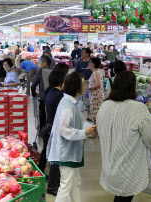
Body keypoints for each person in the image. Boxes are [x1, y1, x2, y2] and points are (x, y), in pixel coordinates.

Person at [97, 71, 151, 202]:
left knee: (121, 197)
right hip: (128, 169)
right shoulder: (138, 108)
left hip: (109, 166)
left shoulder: (104, 105)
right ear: (133, 87)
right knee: (124, 197)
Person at [47, 72, 97, 202]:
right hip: (66, 153)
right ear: (76, 87)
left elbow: (75, 123)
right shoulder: (68, 105)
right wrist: (84, 132)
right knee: (66, 185)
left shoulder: (71, 103)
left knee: (75, 182)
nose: (86, 86)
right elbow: (63, 130)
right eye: (83, 83)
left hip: (70, 151)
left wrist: (88, 128)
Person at [39, 71, 66, 196]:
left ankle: (44, 176)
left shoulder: (50, 92)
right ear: (61, 82)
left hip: (48, 127)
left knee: (48, 153)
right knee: (56, 158)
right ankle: (52, 186)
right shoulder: (60, 96)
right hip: (54, 129)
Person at [31, 56, 53, 130]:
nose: (38, 65)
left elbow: (33, 85)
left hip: (44, 98)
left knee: (43, 117)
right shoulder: (53, 71)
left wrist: (34, 95)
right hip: (53, 97)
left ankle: (42, 132)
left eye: (39, 63)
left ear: (45, 63)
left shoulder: (41, 71)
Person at [88, 58, 105, 131]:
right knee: (96, 114)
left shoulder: (95, 73)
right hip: (96, 97)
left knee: (95, 115)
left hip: (96, 97)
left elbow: (98, 84)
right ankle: (96, 131)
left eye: (89, 63)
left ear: (93, 64)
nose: (88, 65)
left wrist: (89, 88)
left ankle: (96, 132)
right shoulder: (97, 72)